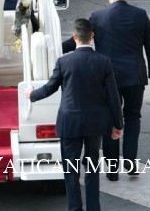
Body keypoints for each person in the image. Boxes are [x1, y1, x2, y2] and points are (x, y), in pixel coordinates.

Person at [26, 18, 123, 211]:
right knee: (92, 167)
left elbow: (49, 88)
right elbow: (113, 96)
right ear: (92, 36)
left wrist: (32, 95)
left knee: (70, 170)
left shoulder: (64, 61)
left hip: (69, 123)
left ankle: (75, 208)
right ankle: (94, 207)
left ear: (74, 37)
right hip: (95, 123)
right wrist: (118, 125)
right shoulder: (104, 62)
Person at [89, 0, 150, 180]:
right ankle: (130, 164)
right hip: (134, 76)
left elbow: (80, 39)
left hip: (107, 78)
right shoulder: (140, 15)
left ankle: (112, 171)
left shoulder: (98, 17)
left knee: (110, 120)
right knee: (132, 118)